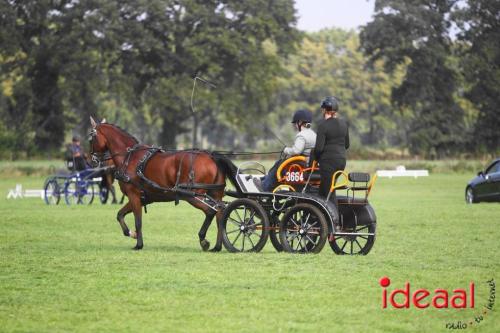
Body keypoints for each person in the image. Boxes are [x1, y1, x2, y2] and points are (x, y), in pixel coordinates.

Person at [254, 109, 316, 192]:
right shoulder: (313, 134)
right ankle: (265, 179)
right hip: (308, 164)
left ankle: (265, 186)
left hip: (300, 165)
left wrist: (286, 150)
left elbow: (296, 151)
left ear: (300, 122)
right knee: (280, 164)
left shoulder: (301, 135)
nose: (295, 126)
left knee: (279, 164)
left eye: (295, 123)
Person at [313, 96, 350, 198]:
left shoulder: (323, 125)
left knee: (325, 193)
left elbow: (319, 149)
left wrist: (315, 159)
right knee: (329, 189)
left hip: (328, 163)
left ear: (324, 110)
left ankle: (330, 213)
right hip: (342, 162)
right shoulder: (344, 124)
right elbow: (347, 145)